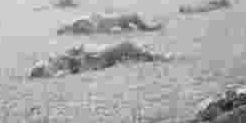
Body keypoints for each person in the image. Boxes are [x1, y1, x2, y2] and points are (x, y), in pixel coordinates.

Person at [29, 40, 172, 78]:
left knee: (127, 50)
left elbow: (76, 53)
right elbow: (77, 65)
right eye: (46, 65)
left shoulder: (58, 62)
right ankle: (156, 56)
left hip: (96, 56)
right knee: (126, 46)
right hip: (98, 60)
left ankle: (149, 54)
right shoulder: (59, 67)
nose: (50, 61)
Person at [57, 12, 163, 35]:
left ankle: (148, 28)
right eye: (64, 28)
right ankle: (148, 28)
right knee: (134, 17)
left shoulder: (76, 24)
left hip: (113, 21)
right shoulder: (77, 24)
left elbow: (93, 24)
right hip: (114, 21)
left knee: (133, 20)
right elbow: (94, 28)